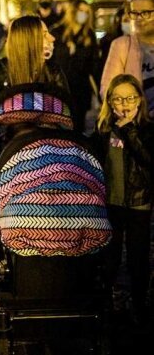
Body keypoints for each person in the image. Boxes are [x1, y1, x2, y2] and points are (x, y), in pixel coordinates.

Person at [89, 74, 153, 325]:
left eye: (130, 98)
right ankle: (106, 301)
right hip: (111, 202)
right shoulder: (104, 129)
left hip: (139, 202)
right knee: (110, 256)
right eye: (118, 99)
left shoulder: (147, 129)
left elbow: (147, 160)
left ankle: (139, 302)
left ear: (140, 99)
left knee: (138, 256)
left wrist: (130, 130)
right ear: (109, 101)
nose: (124, 104)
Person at [0, 15, 68, 159]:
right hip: (8, 157)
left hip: (50, 155)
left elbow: (67, 115)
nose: (52, 38)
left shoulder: (53, 71)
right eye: (44, 35)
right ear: (28, 40)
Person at [101, 0, 154, 116]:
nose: (139, 18)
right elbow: (108, 88)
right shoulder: (122, 45)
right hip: (137, 123)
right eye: (134, 13)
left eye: (146, 13)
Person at [50, 0, 99, 133]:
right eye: (81, 11)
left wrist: (100, 91)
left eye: (86, 12)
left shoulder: (89, 35)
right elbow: (51, 61)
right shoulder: (57, 32)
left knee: (79, 126)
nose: (83, 14)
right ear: (73, 11)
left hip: (81, 89)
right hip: (61, 87)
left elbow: (94, 65)